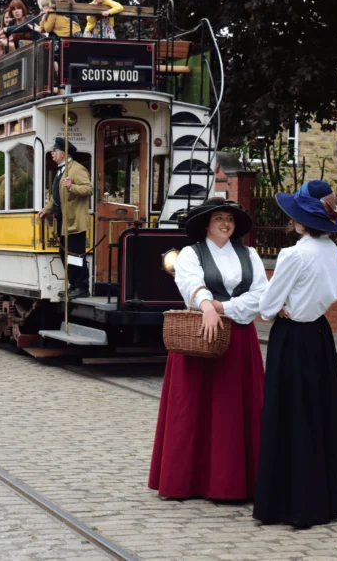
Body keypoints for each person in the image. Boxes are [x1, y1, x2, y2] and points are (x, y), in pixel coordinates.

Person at [254, 180, 337, 527]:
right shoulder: (331, 250)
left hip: (292, 337)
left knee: (292, 416)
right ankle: (327, 497)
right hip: (319, 334)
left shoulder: (294, 254)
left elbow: (268, 305)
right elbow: (331, 294)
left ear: (300, 220)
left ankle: (294, 503)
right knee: (319, 413)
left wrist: (279, 307)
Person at [148, 198, 268, 501]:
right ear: (206, 224)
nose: (225, 224)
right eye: (219, 219)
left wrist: (223, 307)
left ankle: (234, 482)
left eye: (229, 218)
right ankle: (188, 481)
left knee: (232, 410)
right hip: (200, 335)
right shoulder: (191, 253)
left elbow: (261, 295)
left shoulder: (249, 254)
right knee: (193, 410)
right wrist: (206, 306)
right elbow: (190, 283)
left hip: (238, 337)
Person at [37, 137, 92, 299]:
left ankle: (82, 286)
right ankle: (74, 284)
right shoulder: (61, 170)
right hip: (63, 220)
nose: (52, 154)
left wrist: (72, 187)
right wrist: (46, 209)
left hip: (74, 220)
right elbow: (57, 197)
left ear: (62, 153)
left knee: (75, 254)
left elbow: (89, 189)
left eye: (54, 151)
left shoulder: (76, 169)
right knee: (65, 254)